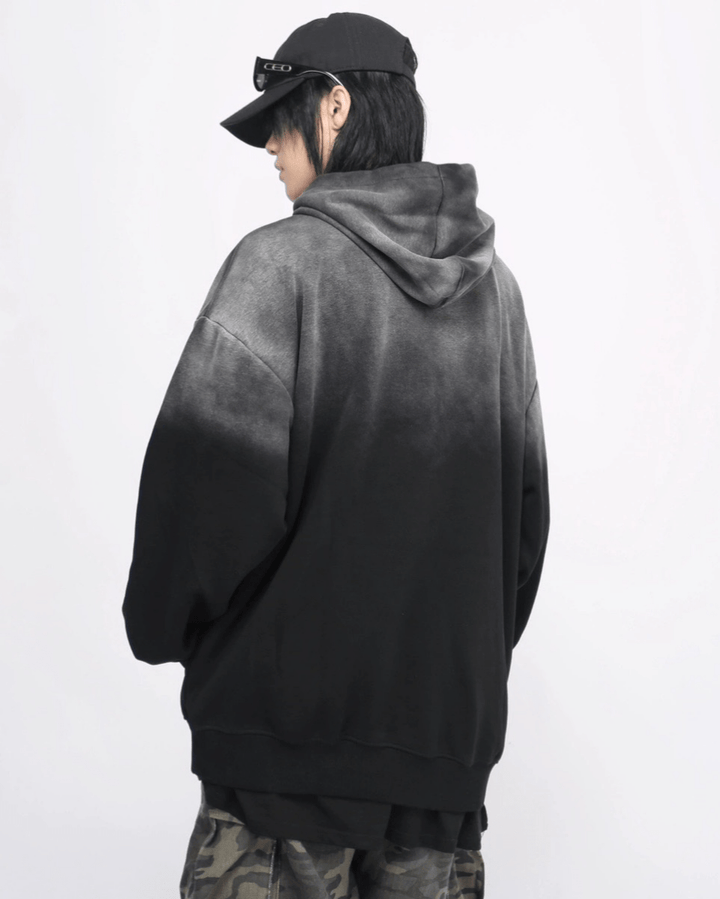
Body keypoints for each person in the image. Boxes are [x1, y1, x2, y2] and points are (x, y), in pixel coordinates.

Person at [121, 11, 550, 899]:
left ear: (335, 107)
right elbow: (523, 533)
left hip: (280, 776)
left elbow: (198, 502)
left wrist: (163, 628)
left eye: (281, 121)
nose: (271, 148)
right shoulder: (498, 298)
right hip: (440, 777)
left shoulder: (279, 269)